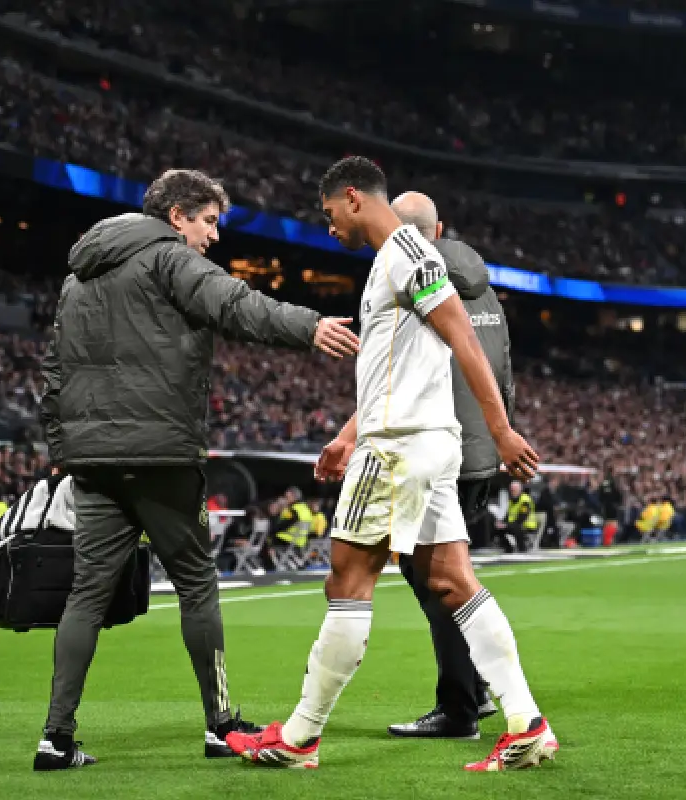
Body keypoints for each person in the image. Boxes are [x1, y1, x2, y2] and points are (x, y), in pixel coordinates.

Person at [226, 156, 553, 772]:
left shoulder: (404, 254)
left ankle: (298, 738)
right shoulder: (401, 258)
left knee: (346, 581)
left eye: (328, 215)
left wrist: (504, 430)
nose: (328, 229)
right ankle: (525, 722)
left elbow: (462, 337)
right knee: (456, 584)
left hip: (399, 449)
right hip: (418, 441)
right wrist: (349, 434)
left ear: (354, 198)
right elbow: (398, 366)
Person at [35, 168, 360, 771]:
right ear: (177, 214)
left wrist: (63, 448)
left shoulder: (77, 279)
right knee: (195, 581)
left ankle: (55, 737)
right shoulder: (167, 258)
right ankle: (218, 725)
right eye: (208, 221)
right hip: (160, 452)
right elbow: (235, 304)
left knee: (87, 593)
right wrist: (309, 326)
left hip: (92, 458)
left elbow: (54, 372)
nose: (212, 237)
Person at [380, 191, 512, 741]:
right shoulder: (490, 295)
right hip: (478, 456)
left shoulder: (414, 286)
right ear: (440, 229)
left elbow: (397, 375)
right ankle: (474, 692)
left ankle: (461, 705)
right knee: (445, 574)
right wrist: (496, 438)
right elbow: (503, 370)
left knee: (436, 579)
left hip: (437, 453)